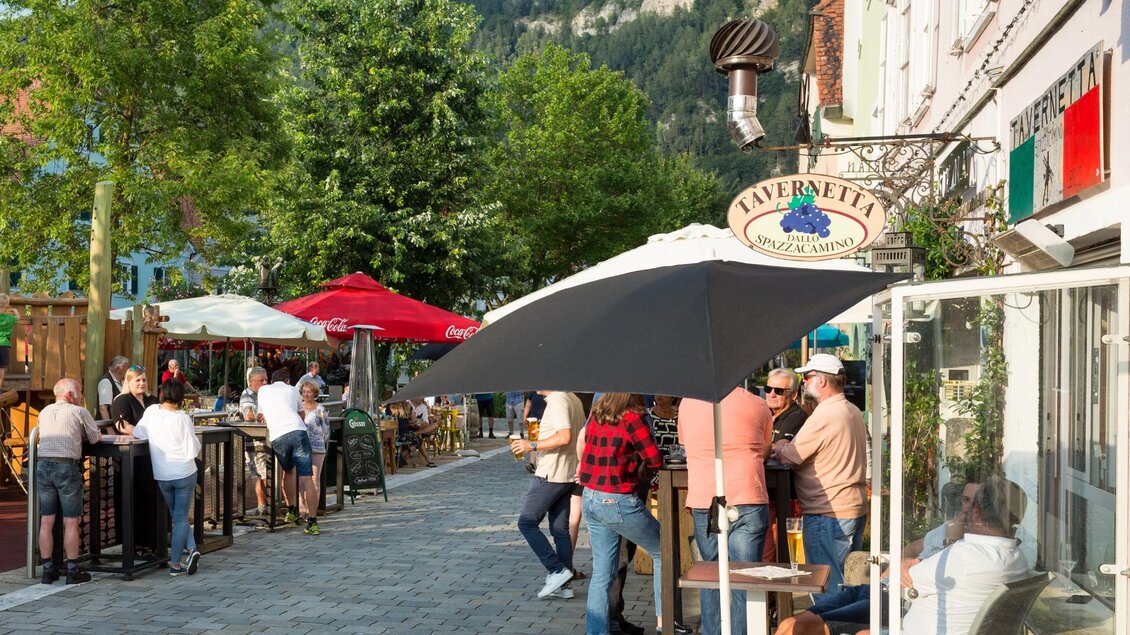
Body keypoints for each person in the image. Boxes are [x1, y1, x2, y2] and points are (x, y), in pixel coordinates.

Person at [777, 480, 981, 635]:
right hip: (876, 588)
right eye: (965, 500)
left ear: (984, 509)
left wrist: (954, 539)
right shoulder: (948, 527)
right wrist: (889, 570)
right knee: (788, 624)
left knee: (802, 627)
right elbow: (912, 547)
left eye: (974, 502)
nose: (967, 507)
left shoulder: (971, 549)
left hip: (896, 601)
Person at [854, 476, 1030, 635]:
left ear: (976, 511)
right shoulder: (1018, 558)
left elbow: (899, 582)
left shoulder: (965, 556)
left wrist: (904, 563)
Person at [772, 354, 868, 599]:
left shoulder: (824, 415)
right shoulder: (852, 410)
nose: (803, 382)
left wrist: (781, 445)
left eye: (808, 377)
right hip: (850, 507)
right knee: (846, 589)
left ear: (822, 382)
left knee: (826, 591)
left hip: (827, 512)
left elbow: (789, 457)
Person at [679, 387, 772, 635]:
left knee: (711, 575)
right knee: (746, 578)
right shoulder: (758, 404)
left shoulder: (688, 402)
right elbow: (765, 450)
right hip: (747, 493)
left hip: (705, 498)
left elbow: (686, 444)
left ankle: (712, 631)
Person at [578, 393, 666, 635]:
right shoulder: (633, 417)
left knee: (602, 572)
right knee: (665, 551)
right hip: (616, 499)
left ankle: (596, 632)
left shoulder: (598, 413)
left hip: (591, 495)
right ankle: (664, 623)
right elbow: (655, 458)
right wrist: (641, 465)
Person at [509, 390, 585, 599]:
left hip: (552, 473)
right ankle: (565, 586)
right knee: (560, 529)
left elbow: (564, 436)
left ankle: (557, 570)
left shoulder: (559, 399)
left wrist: (530, 445)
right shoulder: (573, 398)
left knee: (526, 523)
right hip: (568, 473)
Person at [133, 379, 203, 576]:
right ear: (181, 398)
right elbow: (193, 447)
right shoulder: (183, 419)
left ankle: (192, 549)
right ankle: (175, 564)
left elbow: (139, 432)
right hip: (185, 471)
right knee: (180, 517)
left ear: (162, 393)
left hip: (162, 474)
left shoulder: (152, 412)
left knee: (177, 516)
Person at [35, 378, 101, 585]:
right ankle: (72, 570)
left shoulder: (44, 412)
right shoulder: (79, 411)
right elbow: (95, 437)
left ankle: (48, 569)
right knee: (70, 520)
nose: (81, 396)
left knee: (47, 519)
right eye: (80, 392)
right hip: (66, 467)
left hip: (43, 465)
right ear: (71, 395)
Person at [258, 369, 319, 535]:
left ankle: (291, 510)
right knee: (307, 478)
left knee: (287, 472)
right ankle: (312, 522)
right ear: (287, 380)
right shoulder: (293, 390)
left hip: (278, 436)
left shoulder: (263, 390)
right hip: (298, 432)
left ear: (272, 380)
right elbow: (301, 414)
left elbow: (260, 415)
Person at [298, 379, 330, 529]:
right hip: (302, 446)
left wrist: (322, 441)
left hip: (317, 446)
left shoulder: (320, 409)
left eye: (309, 391)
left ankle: (313, 511)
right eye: (304, 391)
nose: (306, 394)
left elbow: (326, 430)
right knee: (301, 479)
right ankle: (301, 507)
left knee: (314, 479)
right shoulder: (298, 408)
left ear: (314, 393)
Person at [240, 367, 270, 516]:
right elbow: (248, 415)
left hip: (266, 439)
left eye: (266, 379)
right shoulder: (247, 394)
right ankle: (262, 506)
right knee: (260, 474)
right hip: (254, 441)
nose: (265, 382)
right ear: (252, 382)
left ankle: (265, 506)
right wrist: (263, 415)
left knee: (265, 474)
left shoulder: (266, 393)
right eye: (261, 380)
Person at [110, 365, 158, 435]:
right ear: (129, 382)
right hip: (132, 444)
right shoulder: (121, 401)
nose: (142, 383)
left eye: (144, 380)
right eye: (138, 380)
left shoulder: (153, 400)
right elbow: (124, 427)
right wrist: (148, 435)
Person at [766, 368, 807, 443]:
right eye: (768, 389)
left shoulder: (796, 417)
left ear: (793, 395)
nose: (771, 395)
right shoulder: (763, 412)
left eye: (779, 391)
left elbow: (781, 447)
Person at [0, 294, 17, 389]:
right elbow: (17, 317)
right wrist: (15, 311)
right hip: (4, 345)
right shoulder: (10, 318)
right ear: (7, 306)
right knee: (1, 368)